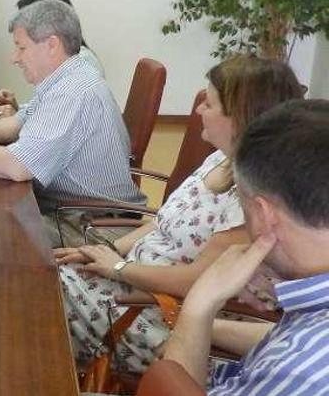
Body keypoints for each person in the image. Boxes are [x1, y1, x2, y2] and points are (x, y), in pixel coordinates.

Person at [53, 55, 303, 373]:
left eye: (209, 104)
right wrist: (108, 252)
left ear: (239, 118)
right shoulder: (219, 160)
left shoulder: (254, 199)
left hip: (162, 316)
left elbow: (193, 282)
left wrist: (117, 268)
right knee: (45, 274)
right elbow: (161, 221)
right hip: (134, 285)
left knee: (43, 294)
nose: (198, 110)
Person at [0, 0, 144, 245]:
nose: (14, 58)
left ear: (52, 45)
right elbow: (18, 122)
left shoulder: (71, 91)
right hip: (70, 210)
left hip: (91, 226)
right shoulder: (66, 76)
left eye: (21, 47)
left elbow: (17, 167)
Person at [161, 99, 329, 394]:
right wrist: (211, 329)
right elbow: (299, 335)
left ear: (265, 216)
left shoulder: (298, 374)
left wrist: (199, 307)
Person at [0, 0, 105, 118]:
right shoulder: (63, 60)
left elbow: (57, 122)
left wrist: (15, 119)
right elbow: (49, 108)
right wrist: (18, 109)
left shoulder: (80, 63)